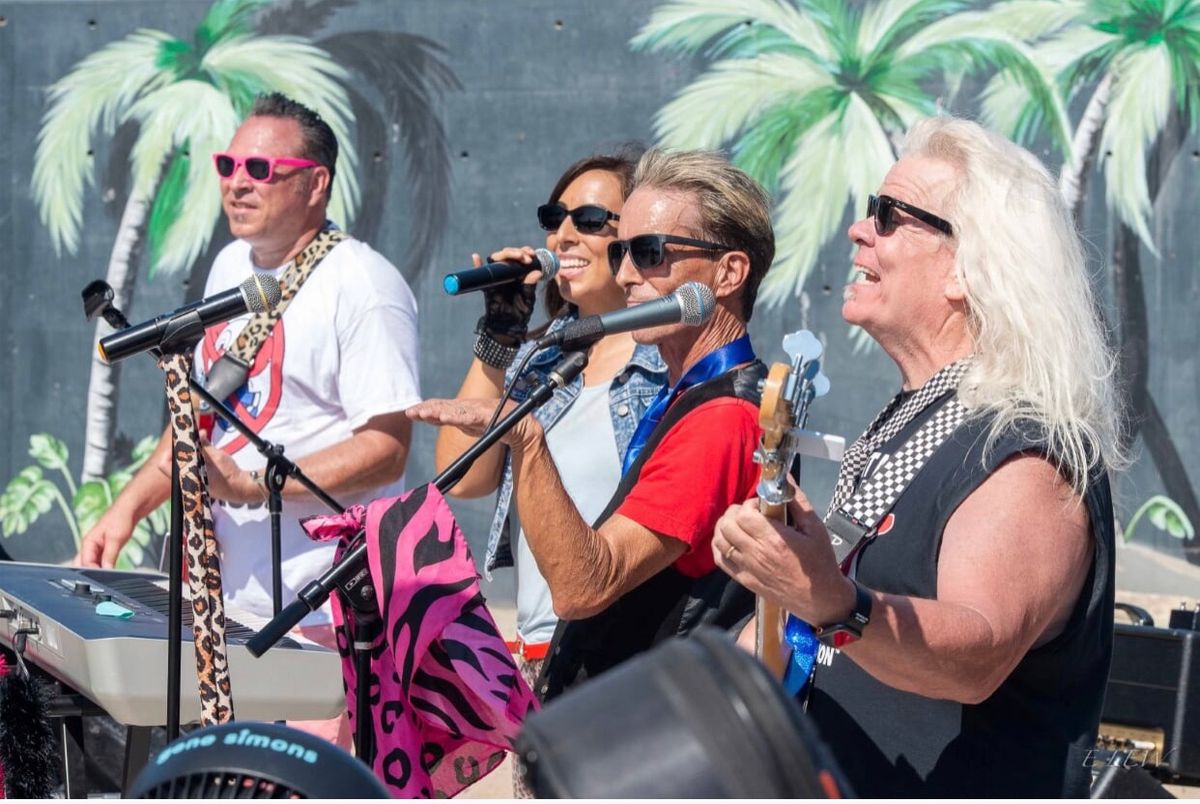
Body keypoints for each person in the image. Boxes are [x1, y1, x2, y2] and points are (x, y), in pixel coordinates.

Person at [712, 116, 1121, 797]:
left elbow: (977, 654)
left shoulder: (1024, 450)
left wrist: (837, 604)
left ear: (966, 266)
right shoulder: (921, 418)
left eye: (889, 215)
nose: (858, 229)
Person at [76, 93, 422, 746]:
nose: (237, 182)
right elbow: (202, 417)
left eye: (261, 169)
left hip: (319, 608)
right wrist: (126, 510)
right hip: (224, 613)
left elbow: (387, 449)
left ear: (315, 183)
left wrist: (248, 485)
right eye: (229, 164)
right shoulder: (232, 269)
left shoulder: (365, 287)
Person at [410, 148, 774, 701]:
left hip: (637, 710)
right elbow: (464, 479)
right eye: (625, 251)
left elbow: (585, 585)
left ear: (728, 272)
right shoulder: (572, 360)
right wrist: (503, 340)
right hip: (582, 681)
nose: (628, 272)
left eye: (649, 252)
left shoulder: (722, 412)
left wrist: (528, 440)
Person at [433, 149, 667, 700]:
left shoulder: (667, 366)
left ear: (633, 238)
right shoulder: (538, 361)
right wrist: (500, 337)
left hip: (628, 659)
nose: (563, 236)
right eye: (553, 218)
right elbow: (461, 479)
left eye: (588, 221)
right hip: (539, 659)